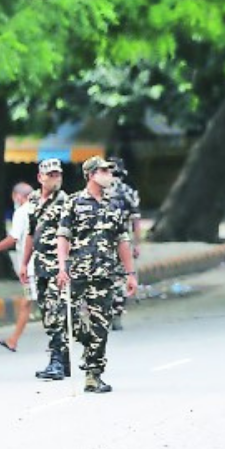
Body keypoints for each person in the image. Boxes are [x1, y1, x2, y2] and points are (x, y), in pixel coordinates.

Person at [55, 156, 138, 394]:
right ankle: (88, 342)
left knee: (102, 324)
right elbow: (63, 236)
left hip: (104, 273)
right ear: (91, 174)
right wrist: (62, 266)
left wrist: (130, 273)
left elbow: (123, 241)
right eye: (103, 170)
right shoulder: (74, 202)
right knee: (64, 315)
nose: (108, 174)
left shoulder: (114, 205)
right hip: (77, 271)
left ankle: (93, 375)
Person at [19, 159, 72, 380]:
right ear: (40, 177)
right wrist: (24, 262)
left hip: (58, 266)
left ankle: (57, 361)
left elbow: (68, 235)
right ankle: (63, 359)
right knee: (46, 312)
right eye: (51, 175)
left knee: (56, 313)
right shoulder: (33, 200)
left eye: (58, 174)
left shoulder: (65, 201)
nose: (55, 178)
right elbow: (31, 232)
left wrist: (64, 267)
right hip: (40, 265)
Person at [0, 182, 35, 351]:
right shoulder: (40, 209)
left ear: (18, 196)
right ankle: (13, 339)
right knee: (28, 301)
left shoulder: (21, 212)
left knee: (29, 302)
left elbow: (13, 238)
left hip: (30, 267)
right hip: (39, 265)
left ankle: (14, 340)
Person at [105, 157, 142, 331]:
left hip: (103, 242)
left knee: (104, 277)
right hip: (122, 242)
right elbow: (136, 221)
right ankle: (117, 312)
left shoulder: (97, 191)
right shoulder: (129, 192)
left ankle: (106, 312)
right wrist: (137, 244)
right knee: (120, 278)